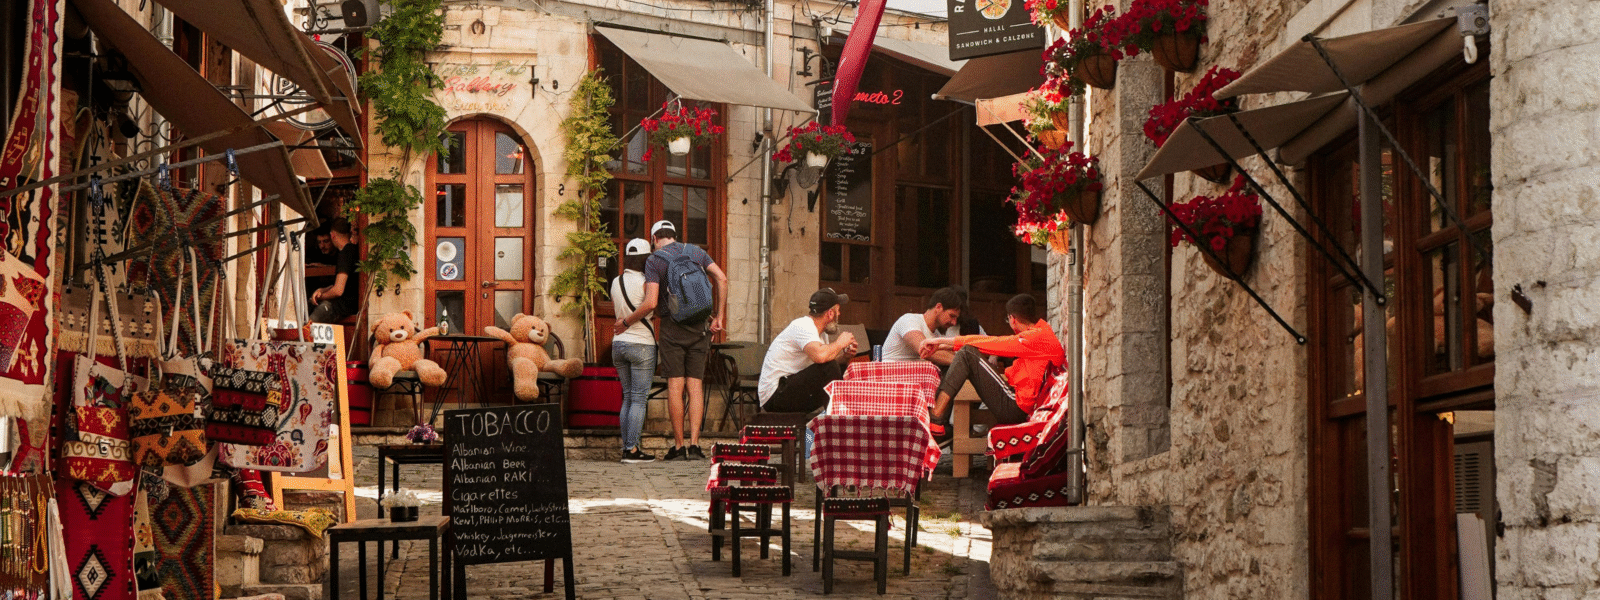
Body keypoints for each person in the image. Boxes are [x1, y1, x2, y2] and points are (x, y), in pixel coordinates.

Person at [612, 220, 728, 461]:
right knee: (695, 386)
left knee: (676, 387)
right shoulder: (696, 251)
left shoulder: (655, 260)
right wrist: (719, 316)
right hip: (700, 327)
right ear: (675, 235)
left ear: (654, 239)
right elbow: (722, 279)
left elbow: (652, 302)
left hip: (672, 328)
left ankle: (678, 446)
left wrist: (625, 322)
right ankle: (696, 445)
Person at [920, 294, 1064, 426]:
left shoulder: (1035, 337)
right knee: (967, 352)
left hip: (1016, 408)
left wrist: (941, 341)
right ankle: (937, 417)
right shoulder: (1042, 334)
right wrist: (943, 344)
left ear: (1012, 319)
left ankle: (935, 417)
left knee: (966, 353)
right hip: (1022, 403)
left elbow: (994, 343)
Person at [757, 288, 858, 414]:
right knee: (830, 367)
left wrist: (845, 357)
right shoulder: (803, 326)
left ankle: (837, 415)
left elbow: (822, 361)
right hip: (775, 395)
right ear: (830, 314)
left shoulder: (820, 334)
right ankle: (833, 418)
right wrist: (839, 343)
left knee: (837, 366)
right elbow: (820, 357)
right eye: (838, 311)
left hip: (787, 388)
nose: (840, 315)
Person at [610, 239, 657, 464]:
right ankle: (632, 450)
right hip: (641, 344)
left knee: (628, 397)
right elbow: (649, 306)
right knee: (639, 399)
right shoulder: (647, 282)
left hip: (618, 344)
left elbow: (619, 312)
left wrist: (625, 322)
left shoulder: (615, 281)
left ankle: (627, 447)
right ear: (647, 258)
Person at [881, 287, 963, 365]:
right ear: (938, 307)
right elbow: (924, 349)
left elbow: (953, 355)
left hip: (917, 377)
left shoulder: (938, 334)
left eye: (956, 318)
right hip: (893, 375)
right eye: (952, 316)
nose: (954, 323)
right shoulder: (909, 320)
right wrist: (964, 363)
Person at [309, 218, 358, 323]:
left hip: (343, 307)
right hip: (350, 306)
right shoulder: (353, 250)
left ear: (332, 235)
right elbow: (346, 283)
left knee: (309, 326)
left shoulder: (344, 254)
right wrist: (323, 290)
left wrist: (320, 297)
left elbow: (338, 290)